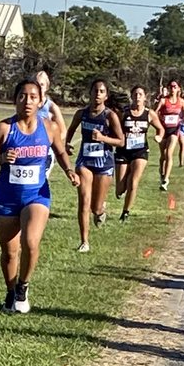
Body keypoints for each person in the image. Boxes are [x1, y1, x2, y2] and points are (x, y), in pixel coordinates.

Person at [0, 78, 79, 314]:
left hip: (36, 194)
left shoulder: (49, 127)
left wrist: (69, 170)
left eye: (32, 97)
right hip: (8, 196)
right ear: (15, 99)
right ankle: (10, 292)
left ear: (40, 101)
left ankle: (23, 287)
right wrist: (1, 158)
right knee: (9, 253)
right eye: (22, 96)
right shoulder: (3, 128)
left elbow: (60, 151)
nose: (27, 101)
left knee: (30, 242)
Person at [65, 77, 125, 252]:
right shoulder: (81, 114)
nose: (97, 94)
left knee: (95, 207)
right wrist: (68, 144)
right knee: (84, 201)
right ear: (89, 93)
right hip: (84, 162)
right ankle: (84, 242)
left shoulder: (110, 116)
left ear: (106, 96)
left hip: (104, 163)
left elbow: (121, 141)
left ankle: (100, 211)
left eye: (101, 91)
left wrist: (103, 138)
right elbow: (71, 130)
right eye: (95, 91)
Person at [114, 85, 165, 222]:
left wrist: (159, 137)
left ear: (145, 97)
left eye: (140, 95)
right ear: (131, 96)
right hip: (123, 151)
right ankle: (121, 190)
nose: (137, 97)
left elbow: (160, 129)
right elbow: (115, 127)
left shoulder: (149, 114)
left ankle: (125, 212)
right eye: (135, 94)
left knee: (133, 182)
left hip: (140, 151)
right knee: (119, 188)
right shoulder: (124, 112)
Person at [33, 69, 67, 175]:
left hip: (45, 152)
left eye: (42, 84)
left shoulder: (51, 107)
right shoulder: (28, 104)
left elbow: (63, 132)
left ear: (47, 87)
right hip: (28, 149)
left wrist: (48, 142)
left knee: (41, 179)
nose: (39, 87)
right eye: (37, 84)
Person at [155, 81, 184, 190]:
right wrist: (159, 121)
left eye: (175, 86)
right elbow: (154, 113)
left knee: (169, 153)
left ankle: (166, 180)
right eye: (171, 86)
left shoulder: (181, 101)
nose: (173, 88)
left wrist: (183, 119)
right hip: (163, 130)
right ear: (168, 88)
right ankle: (162, 173)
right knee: (163, 156)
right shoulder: (164, 101)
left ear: (178, 89)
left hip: (174, 130)